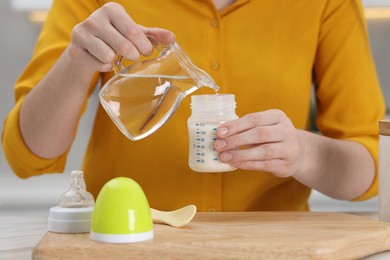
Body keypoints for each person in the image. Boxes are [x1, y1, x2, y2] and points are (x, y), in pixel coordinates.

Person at [2, 0, 386, 212]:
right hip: (127, 242)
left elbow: (373, 169)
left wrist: (304, 153)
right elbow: (26, 156)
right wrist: (77, 59)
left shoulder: (325, 4)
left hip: (271, 249)